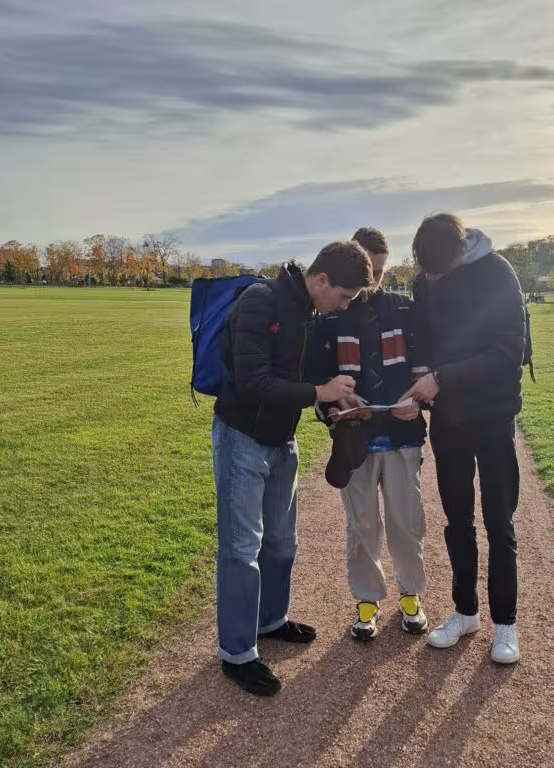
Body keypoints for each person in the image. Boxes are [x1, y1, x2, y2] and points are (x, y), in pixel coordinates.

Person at [213, 242, 373, 696]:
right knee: (241, 549)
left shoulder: (311, 314)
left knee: (282, 543)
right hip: (241, 437)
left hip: (282, 441)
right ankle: (237, 653)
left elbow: (307, 382)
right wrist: (320, 391)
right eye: (343, 295)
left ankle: (270, 620)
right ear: (321, 280)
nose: (344, 304)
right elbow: (253, 382)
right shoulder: (261, 300)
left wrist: (337, 403)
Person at [402, 213, 526, 665]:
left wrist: (443, 377)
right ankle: (465, 611)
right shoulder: (426, 280)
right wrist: (418, 378)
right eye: (426, 270)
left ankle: (506, 624)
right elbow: (426, 343)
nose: (430, 278)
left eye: (437, 269)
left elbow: (509, 351)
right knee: (457, 520)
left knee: (499, 523)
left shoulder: (497, 272)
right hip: (449, 418)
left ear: (458, 252)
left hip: (493, 414)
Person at [311, 227, 429, 641]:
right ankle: (366, 601)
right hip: (354, 442)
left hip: (403, 436)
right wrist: (336, 403)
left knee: (405, 521)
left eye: (380, 270)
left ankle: (411, 597)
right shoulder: (330, 315)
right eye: (369, 270)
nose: (373, 281)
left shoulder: (403, 309)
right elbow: (317, 380)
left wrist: (417, 401)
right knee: (361, 525)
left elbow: (424, 367)